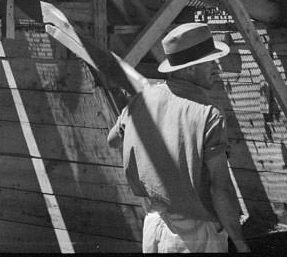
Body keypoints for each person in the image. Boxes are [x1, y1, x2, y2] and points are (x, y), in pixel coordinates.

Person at [107, 23, 250, 253]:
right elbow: (219, 188)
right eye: (210, 62)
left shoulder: (141, 101)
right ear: (189, 69)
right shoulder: (208, 114)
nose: (217, 67)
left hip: (154, 226)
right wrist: (241, 244)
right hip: (195, 236)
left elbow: (113, 141)